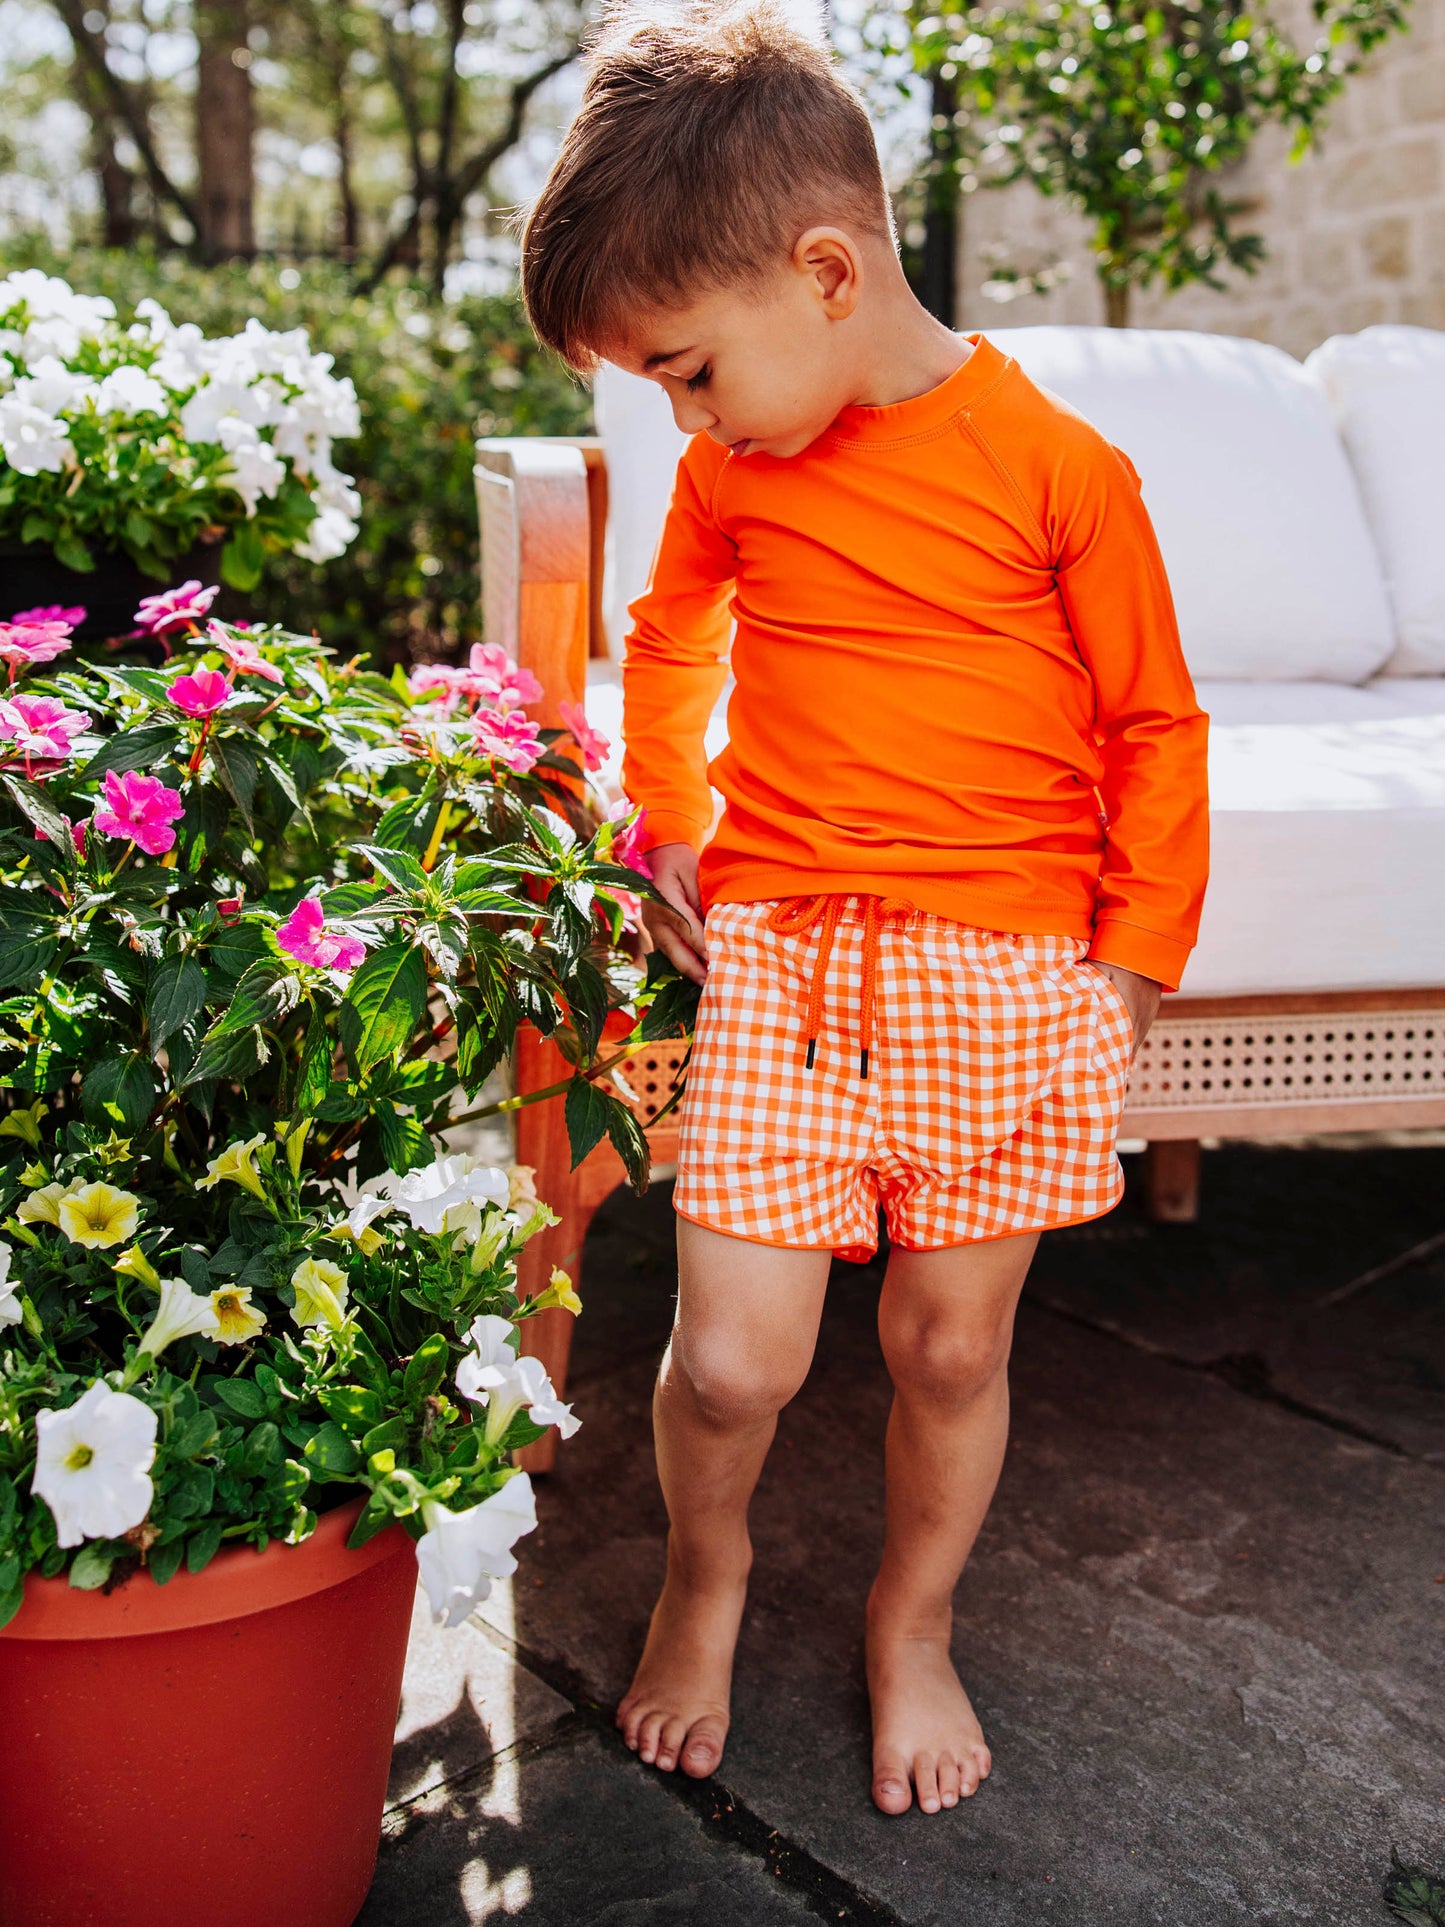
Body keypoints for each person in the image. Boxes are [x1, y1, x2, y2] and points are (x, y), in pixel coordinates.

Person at [519, 0, 1209, 1818]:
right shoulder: (742, 475)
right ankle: (705, 1575)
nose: (682, 416)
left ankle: (913, 1623)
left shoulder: (1061, 473)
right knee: (734, 1360)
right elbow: (666, 649)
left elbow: (1153, 726)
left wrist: (1129, 973)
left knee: (948, 1343)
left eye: (683, 368)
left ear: (824, 273)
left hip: (1005, 976)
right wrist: (660, 823)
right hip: (790, 971)